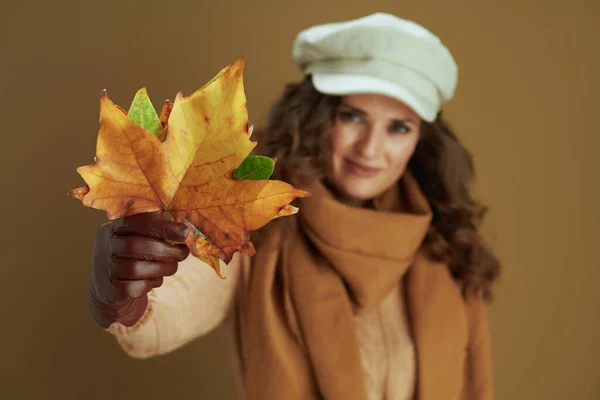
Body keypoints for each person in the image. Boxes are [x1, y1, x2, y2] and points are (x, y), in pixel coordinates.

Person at [86, 12, 500, 400]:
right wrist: (125, 294)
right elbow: (176, 305)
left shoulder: (447, 244)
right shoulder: (257, 217)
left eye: (398, 127)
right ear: (315, 116)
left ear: (420, 140)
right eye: (352, 117)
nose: (371, 149)